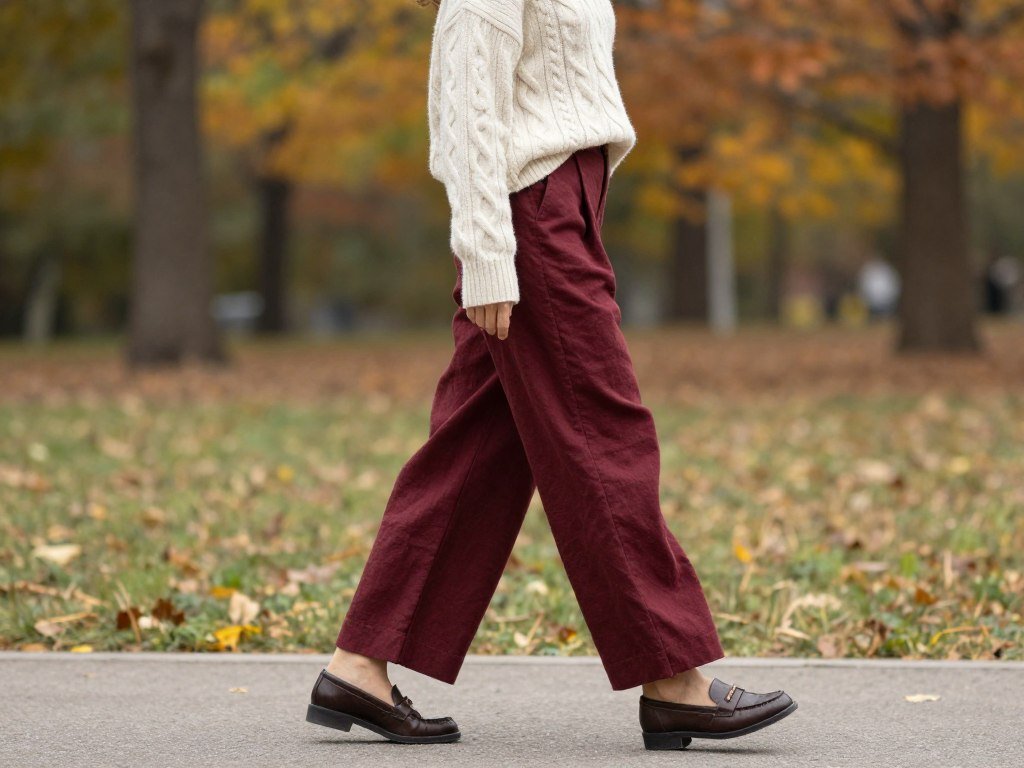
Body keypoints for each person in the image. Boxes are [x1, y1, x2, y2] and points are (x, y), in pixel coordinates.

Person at [305, 0, 797, 750]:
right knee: (605, 434)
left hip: (558, 203)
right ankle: (674, 680)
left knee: (476, 452)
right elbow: (468, 97)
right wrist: (486, 253)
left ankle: (358, 665)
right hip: (527, 214)